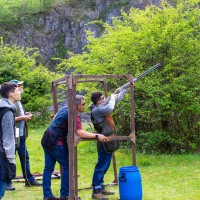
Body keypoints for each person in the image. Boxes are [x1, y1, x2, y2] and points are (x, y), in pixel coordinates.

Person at [41, 95, 109, 200]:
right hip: (56, 142)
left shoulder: (65, 108)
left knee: (48, 169)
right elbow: (80, 133)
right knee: (68, 167)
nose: (85, 106)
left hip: (47, 138)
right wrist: (97, 136)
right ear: (77, 105)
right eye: (83, 104)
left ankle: (47, 195)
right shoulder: (74, 115)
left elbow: (55, 117)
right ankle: (65, 195)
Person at [89, 89, 129, 199]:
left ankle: (101, 187)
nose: (104, 99)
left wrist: (125, 89)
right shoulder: (97, 110)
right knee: (101, 166)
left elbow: (115, 100)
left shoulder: (100, 107)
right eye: (102, 98)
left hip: (108, 140)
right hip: (104, 142)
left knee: (105, 165)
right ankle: (96, 191)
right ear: (97, 102)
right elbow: (110, 107)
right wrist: (111, 97)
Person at [6, 80, 42, 191]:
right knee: (10, 157)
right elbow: (8, 118)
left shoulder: (17, 101)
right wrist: (23, 118)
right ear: (13, 90)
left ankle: (29, 180)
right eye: (19, 86)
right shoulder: (11, 102)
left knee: (23, 156)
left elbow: (17, 115)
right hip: (14, 133)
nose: (21, 88)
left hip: (19, 133)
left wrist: (24, 115)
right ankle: (7, 182)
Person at [0, 82, 21, 199]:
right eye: (17, 90)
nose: (20, 92)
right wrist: (11, 159)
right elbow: (8, 138)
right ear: (11, 94)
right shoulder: (7, 111)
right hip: (2, 155)